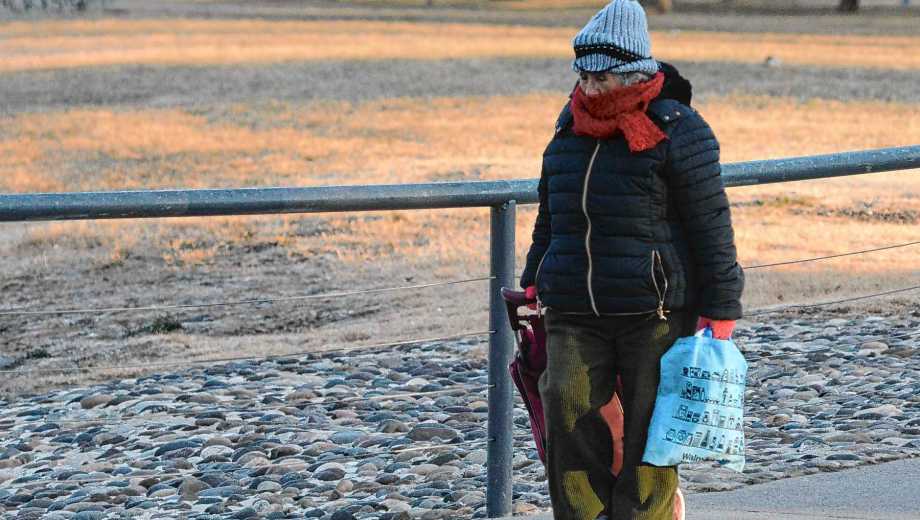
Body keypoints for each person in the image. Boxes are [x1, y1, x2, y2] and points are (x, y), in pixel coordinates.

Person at [519, 1, 744, 519]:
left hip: (657, 311)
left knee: (651, 432)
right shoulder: (568, 125)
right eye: (584, 76)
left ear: (633, 72)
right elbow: (552, 215)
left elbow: (712, 225)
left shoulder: (678, 129)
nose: (589, 89)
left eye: (602, 78)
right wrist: (533, 281)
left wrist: (722, 307)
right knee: (566, 412)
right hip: (574, 307)